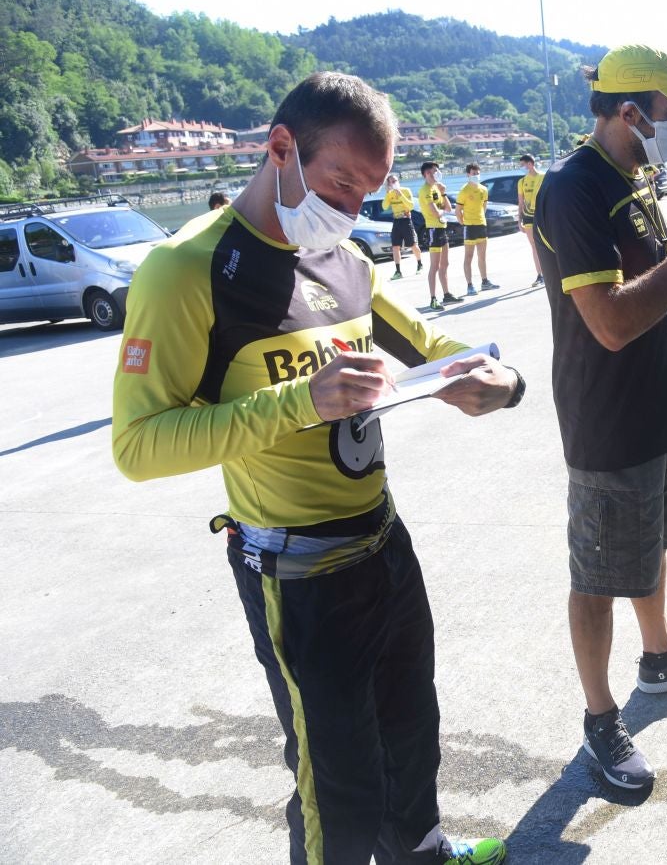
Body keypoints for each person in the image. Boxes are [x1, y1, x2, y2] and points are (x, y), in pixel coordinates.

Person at [111, 71, 521, 865]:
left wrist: (500, 382)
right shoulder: (185, 271)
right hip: (297, 574)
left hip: (383, 543)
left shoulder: (343, 256)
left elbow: (429, 349)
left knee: (411, 724)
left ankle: (423, 848)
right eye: (340, 183)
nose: (351, 210)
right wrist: (302, 400)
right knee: (334, 778)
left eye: (370, 193)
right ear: (279, 148)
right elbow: (137, 445)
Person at [533, 44, 667, 791]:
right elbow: (610, 323)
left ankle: (659, 662)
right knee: (596, 575)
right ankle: (599, 720)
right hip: (606, 420)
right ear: (628, 112)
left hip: (660, 405)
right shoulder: (574, 188)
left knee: (652, 540)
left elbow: (644, 286)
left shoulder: (635, 176)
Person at [418, 160, 462, 309]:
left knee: (445, 264)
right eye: (434, 171)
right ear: (427, 173)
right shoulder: (425, 191)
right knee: (434, 266)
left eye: (437, 171)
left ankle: (447, 294)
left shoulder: (436, 189)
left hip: (442, 228)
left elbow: (448, 208)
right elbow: (436, 212)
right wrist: (441, 211)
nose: (437, 174)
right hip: (433, 230)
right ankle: (433, 299)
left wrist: (443, 193)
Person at [456, 164, 496, 295]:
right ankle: (469, 285)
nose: (476, 175)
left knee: (482, 256)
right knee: (468, 256)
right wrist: (465, 224)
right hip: (469, 226)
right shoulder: (464, 190)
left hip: (481, 225)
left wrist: (481, 220)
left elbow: (484, 207)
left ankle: (485, 281)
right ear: (468, 174)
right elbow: (458, 211)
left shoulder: (483, 189)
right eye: (473, 173)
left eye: (478, 173)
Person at [382, 173, 425, 280]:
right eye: (391, 182)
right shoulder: (389, 193)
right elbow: (384, 206)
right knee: (395, 247)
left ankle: (420, 264)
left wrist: (400, 194)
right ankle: (398, 271)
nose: (393, 183)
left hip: (406, 220)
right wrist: (388, 194)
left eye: (395, 181)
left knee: (413, 245)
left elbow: (410, 205)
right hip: (397, 221)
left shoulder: (406, 190)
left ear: (398, 181)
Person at [516, 154, 545, 287]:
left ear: (530, 164)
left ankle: (553, 272)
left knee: (548, 244)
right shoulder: (521, 181)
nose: (521, 167)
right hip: (528, 217)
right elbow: (521, 201)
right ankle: (540, 275)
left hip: (542, 215)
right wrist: (519, 220)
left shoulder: (543, 177)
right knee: (534, 246)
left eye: (522, 165)